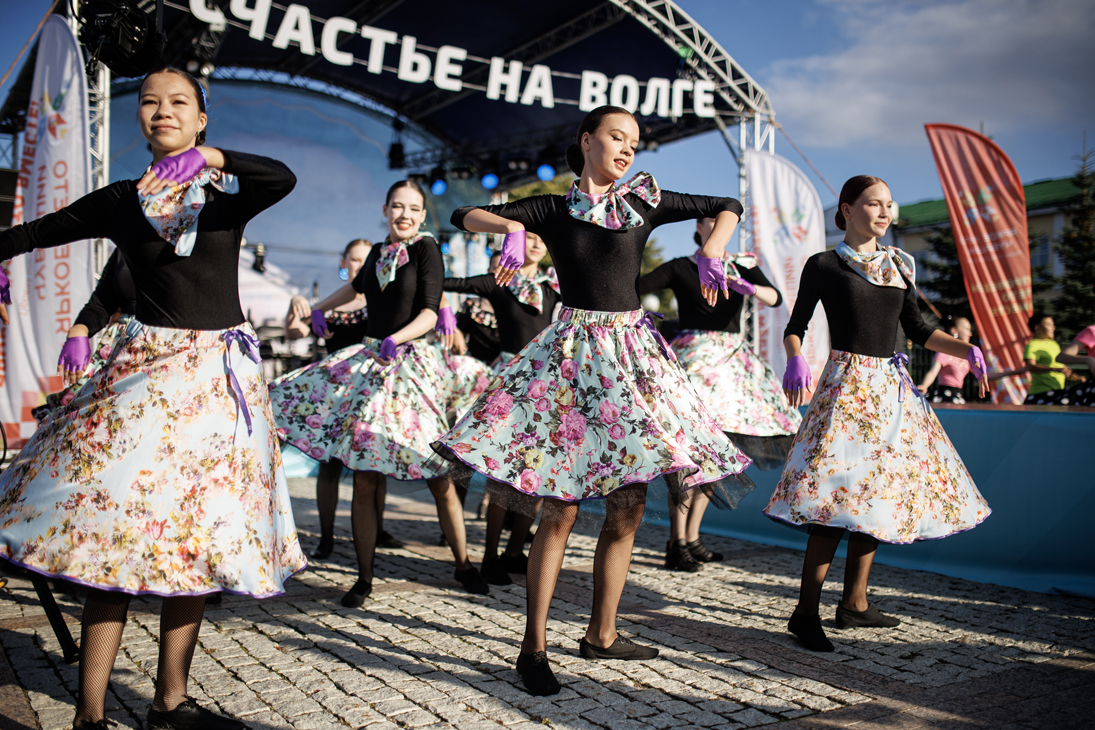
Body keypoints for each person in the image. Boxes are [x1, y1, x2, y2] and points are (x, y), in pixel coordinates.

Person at [0, 67, 306, 730]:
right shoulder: (120, 201)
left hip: (220, 391)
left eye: (179, 102)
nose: (162, 110)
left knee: (195, 540)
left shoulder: (226, 198)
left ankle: (170, 702)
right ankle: (89, 716)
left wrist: (211, 159)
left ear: (201, 119)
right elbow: (31, 235)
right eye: (149, 101)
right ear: (139, 118)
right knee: (114, 539)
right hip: (147, 386)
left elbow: (281, 178)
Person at [430, 105, 754, 696]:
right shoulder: (553, 208)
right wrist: (511, 229)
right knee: (560, 509)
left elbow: (727, 204)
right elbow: (461, 214)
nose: (627, 149)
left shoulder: (646, 202)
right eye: (616, 137)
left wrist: (713, 250)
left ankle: (602, 633)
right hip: (571, 361)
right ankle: (532, 648)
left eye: (634, 142)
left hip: (631, 361)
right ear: (586, 141)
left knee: (628, 506)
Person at [765, 175, 991, 653]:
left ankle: (855, 603)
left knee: (878, 494)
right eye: (874, 203)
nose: (885, 212)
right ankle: (805, 613)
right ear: (847, 210)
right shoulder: (824, 264)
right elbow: (796, 325)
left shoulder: (899, 265)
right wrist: (795, 357)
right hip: (846, 390)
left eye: (889, 204)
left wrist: (965, 348)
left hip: (890, 392)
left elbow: (920, 328)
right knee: (832, 499)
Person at [269, 180, 489, 609]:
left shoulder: (426, 249)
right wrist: (319, 308)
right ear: (385, 210)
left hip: (409, 365)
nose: (405, 214)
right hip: (370, 364)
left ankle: (463, 564)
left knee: (438, 475)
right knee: (365, 474)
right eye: (397, 207)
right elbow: (354, 290)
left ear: (422, 215)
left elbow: (429, 311)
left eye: (413, 208)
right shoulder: (375, 252)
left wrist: (397, 338)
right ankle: (364, 576)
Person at [640, 218, 800, 572]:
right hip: (694, 361)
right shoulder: (681, 266)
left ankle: (692, 538)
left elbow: (775, 298)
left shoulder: (741, 265)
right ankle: (676, 542)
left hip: (732, 368)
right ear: (698, 227)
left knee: (716, 457)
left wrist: (748, 286)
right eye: (710, 219)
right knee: (688, 455)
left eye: (723, 220)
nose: (717, 225)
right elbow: (635, 287)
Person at [441, 231, 560, 586]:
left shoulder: (556, 286)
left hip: (547, 385)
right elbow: (440, 282)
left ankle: (513, 552)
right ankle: (490, 556)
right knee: (503, 476)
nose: (536, 243)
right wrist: (445, 310)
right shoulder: (498, 281)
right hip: (510, 384)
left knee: (536, 473)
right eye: (529, 237)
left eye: (541, 238)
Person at [283, 240, 404, 558]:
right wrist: (296, 304)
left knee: (373, 466)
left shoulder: (380, 302)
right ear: (344, 262)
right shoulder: (330, 304)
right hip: (335, 397)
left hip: (370, 393)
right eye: (354, 260)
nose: (360, 266)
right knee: (329, 468)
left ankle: (377, 529)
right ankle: (326, 537)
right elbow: (294, 333)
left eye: (365, 261)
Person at [31, 247, 137, 422]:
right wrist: (80, 329)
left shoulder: (188, 239)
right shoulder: (127, 241)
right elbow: (101, 303)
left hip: (172, 345)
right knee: (81, 415)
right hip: (121, 347)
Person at [1027, 319, 1095, 406]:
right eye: (1049, 325)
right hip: (1041, 391)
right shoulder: (1032, 345)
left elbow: (1062, 367)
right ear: (1037, 327)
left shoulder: (1053, 344)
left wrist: (1076, 378)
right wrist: (1088, 360)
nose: (1053, 328)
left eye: (1053, 325)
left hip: (1056, 388)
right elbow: (1030, 366)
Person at [917, 316, 973, 404]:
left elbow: (983, 374)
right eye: (967, 329)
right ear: (954, 331)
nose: (970, 333)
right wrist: (924, 385)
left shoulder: (967, 356)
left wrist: (998, 374)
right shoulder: (944, 352)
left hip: (958, 395)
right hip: (946, 395)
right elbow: (932, 372)